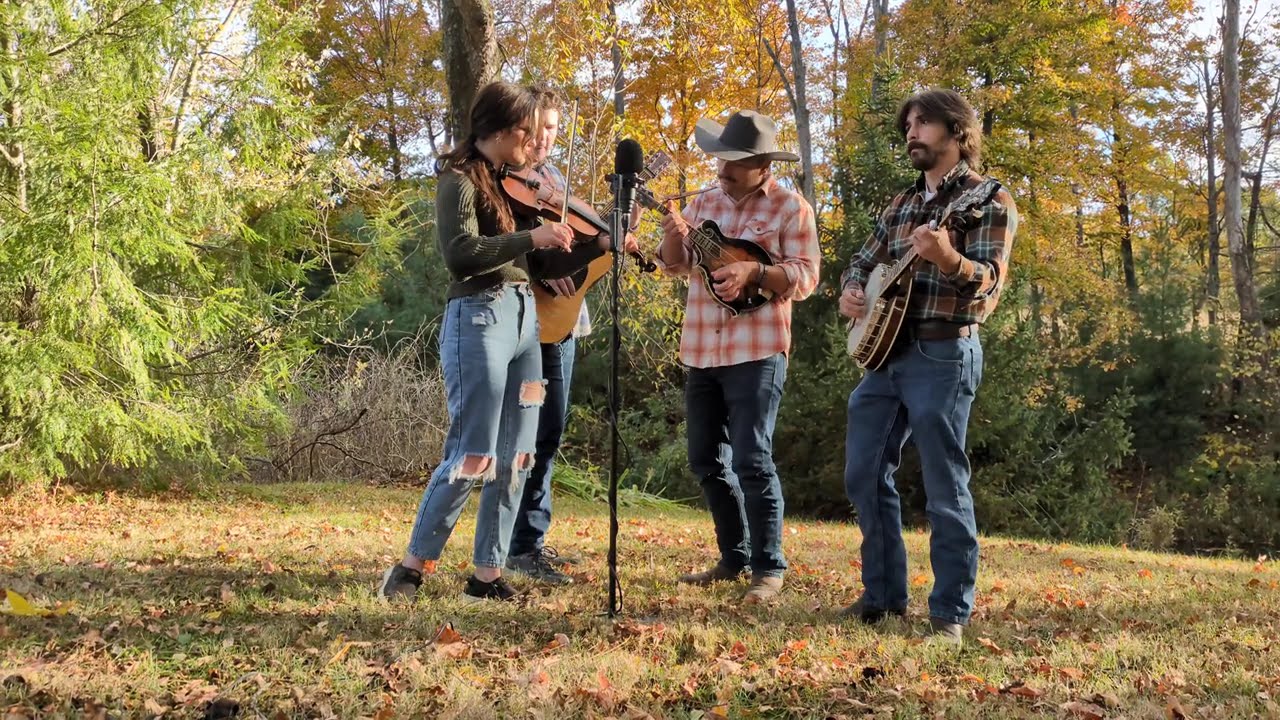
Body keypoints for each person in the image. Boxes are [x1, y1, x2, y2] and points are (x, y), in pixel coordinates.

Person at [378, 81, 609, 603]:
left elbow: (546, 264)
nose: (535, 142)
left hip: (527, 325)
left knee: (518, 456)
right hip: (479, 320)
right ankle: (412, 568)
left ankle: (487, 576)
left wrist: (600, 243)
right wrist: (532, 236)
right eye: (528, 131)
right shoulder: (457, 178)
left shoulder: (516, 182)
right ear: (503, 131)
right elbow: (460, 254)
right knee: (473, 453)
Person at [837, 88, 1018, 644]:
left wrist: (948, 258)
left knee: (944, 483)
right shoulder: (900, 203)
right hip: (884, 353)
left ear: (957, 132)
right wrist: (850, 291)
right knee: (863, 472)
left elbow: (988, 285)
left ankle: (949, 614)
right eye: (908, 125)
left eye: (924, 123)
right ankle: (884, 598)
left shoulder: (989, 199)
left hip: (944, 352)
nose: (912, 132)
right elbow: (864, 261)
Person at [654, 109, 820, 605]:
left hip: (759, 348)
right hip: (702, 347)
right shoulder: (703, 202)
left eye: (736, 160)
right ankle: (734, 557)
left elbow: (807, 277)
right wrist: (670, 233)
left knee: (752, 458)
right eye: (720, 157)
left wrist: (755, 273)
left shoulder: (792, 209)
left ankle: (769, 568)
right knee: (705, 459)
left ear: (764, 163)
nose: (722, 167)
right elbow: (674, 266)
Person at [505, 87, 591, 585]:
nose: (544, 139)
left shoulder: (555, 179)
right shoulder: (503, 181)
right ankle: (518, 545)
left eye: (553, 129)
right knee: (535, 432)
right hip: (530, 324)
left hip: (566, 321)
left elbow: (581, 240)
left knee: (551, 434)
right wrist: (539, 269)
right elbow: (501, 248)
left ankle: (530, 540)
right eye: (536, 128)